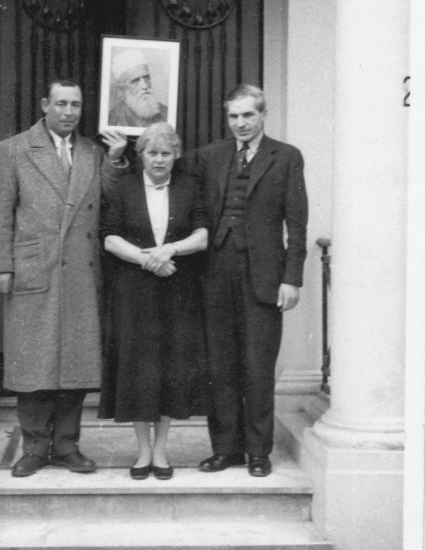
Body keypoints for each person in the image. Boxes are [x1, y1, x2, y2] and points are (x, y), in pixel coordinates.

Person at [0, 78, 128, 477]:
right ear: (45, 104)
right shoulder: (12, 150)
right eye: (62, 103)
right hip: (34, 270)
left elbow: (111, 200)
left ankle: (67, 446)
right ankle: (33, 448)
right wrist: (0, 266)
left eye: (76, 105)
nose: (69, 112)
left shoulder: (93, 152)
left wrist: (117, 160)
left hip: (82, 273)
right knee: (33, 362)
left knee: (75, 365)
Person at [192, 84, 308, 477]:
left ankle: (258, 452)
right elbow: (163, 162)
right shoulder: (210, 156)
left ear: (263, 115)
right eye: (233, 116)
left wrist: (292, 279)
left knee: (258, 367)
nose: (240, 123)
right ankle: (226, 449)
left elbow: (297, 223)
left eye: (248, 115)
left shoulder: (287, 157)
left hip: (264, 276)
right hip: (216, 272)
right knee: (220, 367)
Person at [98, 123, 209, 480]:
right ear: (140, 155)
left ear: (175, 155)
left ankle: (161, 452)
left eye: (165, 153)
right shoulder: (123, 187)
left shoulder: (190, 188)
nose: (159, 159)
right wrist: (148, 260)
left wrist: (169, 251)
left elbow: (202, 236)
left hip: (177, 289)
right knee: (138, 371)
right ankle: (142, 452)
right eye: (151, 152)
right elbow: (110, 238)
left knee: (168, 370)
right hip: (134, 291)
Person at [108, 48, 168, 128]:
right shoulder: (113, 118)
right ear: (123, 89)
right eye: (135, 81)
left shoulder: (166, 112)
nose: (145, 86)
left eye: (146, 77)